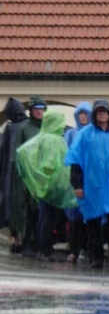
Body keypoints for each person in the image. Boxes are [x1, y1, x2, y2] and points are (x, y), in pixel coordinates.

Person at [65, 100, 109, 269]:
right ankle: (96, 258)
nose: (102, 114)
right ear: (94, 114)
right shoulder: (85, 134)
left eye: (105, 111)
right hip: (92, 187)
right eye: (99, 111)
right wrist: (77, 185)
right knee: (93, 224)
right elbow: (76, 161)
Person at [16, 109, 78, 260]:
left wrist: (37, 180)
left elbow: (22, 151)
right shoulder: (53, 140)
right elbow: (50, 163)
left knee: (45, 218)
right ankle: (45, 251)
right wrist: (49, 179)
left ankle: (42, 249)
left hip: (47, 187)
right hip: (53, 187)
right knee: (48, 219)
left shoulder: (44, 137)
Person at [11, 96, 47, 257]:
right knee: (26, 210)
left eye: (42, 109)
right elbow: (17, 153)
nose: (39, 112)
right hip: (26, 176)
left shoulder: (46, 128)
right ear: (31, 111)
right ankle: (26, 242)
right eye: (36, 109)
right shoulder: (24, 128)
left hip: (42, 177)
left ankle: (38, 243)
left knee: (39, 210)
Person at [62, 101, 91, 264]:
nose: (83, 116)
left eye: (86, 113)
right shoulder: (71, 134)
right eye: (80, 113)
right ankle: (74, 249)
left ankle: (87, 248)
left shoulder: (93, 133)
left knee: (89, 216)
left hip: (90, 179)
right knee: (74, 218)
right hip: (74, 179)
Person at [0, 98, 27, 253]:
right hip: (23, 172)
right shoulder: (27, 126)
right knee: (23, 207)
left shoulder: (10, 129)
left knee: (11, 206)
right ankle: (22, 239)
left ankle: (15, 239)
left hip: (11, 173)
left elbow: (3, 152)